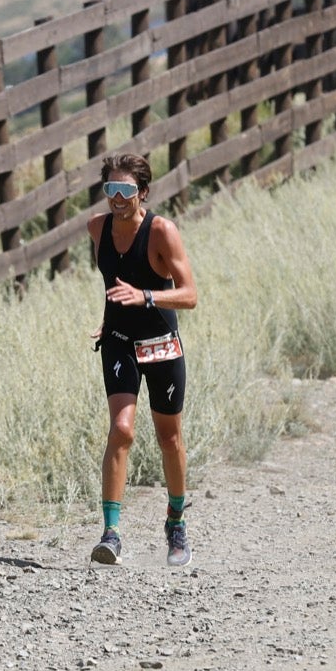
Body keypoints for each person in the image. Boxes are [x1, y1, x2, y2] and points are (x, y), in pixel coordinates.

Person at [86, 153, 199, 567]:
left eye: (126, 191)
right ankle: (111, 534)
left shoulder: (161, 231)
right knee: (122, 429)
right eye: (110, 189)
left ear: (143, 193)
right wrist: (108, 318)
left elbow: (189, 295)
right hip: (118, 340)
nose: (117, 198)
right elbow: (112, 283)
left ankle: (175, 522)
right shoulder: (95, 228)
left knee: (168, 435)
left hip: (161, 342)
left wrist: (146, 296)